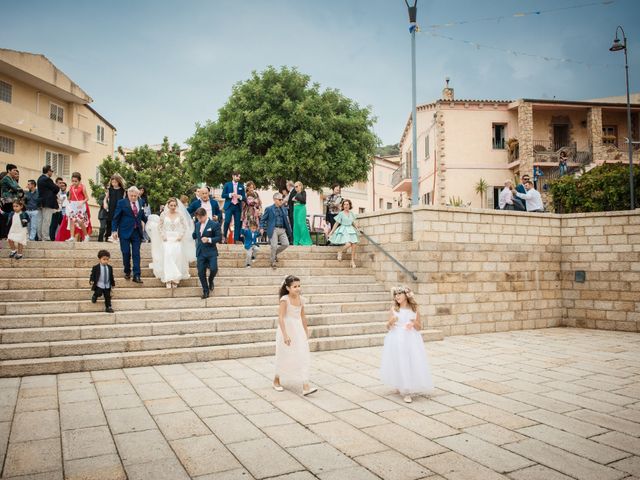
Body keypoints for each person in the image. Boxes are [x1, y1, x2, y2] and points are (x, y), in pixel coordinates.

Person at [380, 286, 433, 403]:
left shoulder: (414, 309)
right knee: (399, 361)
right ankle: (401, 385)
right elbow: (388, 326)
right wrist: (391, 321)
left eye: (399, 294)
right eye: (395, 295)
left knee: (410, 361)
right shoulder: (394, 309)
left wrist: (413, 323)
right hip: (396, 338)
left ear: (406, 295)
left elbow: (419, 328)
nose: (397, 296)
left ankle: (407, 390)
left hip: (411, 339)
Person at [272, 275, 317, 396]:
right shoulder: (284, 300)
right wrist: (285, 335)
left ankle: (305, 386)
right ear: (288, 288)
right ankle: (276, 380)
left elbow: (303, 316)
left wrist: (306, 331)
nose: (297, 289)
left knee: (302, 354)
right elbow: (281, 317)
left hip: (298, 330)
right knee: (283, 354)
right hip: (286, 329)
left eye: (299, 286)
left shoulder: (301, 299)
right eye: (294, 286)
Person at [146, 197, 195, 288]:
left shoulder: (180, 215)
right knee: (168, 256)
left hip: (177, 238)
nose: (173, 207)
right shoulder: (163, 215)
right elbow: (160, 226)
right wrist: (163, 236)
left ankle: (175, 279)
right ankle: (168, 278)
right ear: (168, 206)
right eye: (171, 205)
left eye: (174, 205)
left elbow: (184, 227)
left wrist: (181, 236)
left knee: (177, 256)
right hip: (167, 238)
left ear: (176, 206)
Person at [112, 186, 147, 283]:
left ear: (138, 195)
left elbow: (143, 216)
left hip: (137, 232)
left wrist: (152, 222)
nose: (133, 198)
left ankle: (137, 275)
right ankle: (127, 271)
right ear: (128, 195)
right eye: (131, 196)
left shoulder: (141, 202)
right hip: (124, 232)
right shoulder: (121, 203)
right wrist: (114, 230)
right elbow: (116, 218)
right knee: (126, 252)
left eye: (135, 196)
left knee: (136, 254)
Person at [192, 207, 221, 299]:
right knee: (201, 272)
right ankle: (205, 290)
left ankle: (211, 280)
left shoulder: (214, 224)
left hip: (211, 252)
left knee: (214, 269)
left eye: (200, 218)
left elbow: (219, 238)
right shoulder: (197, 224)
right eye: (197, 218)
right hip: (200, 252)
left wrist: (209, 239)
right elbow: (194, 235)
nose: (199, 220)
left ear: (205, 215)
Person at [260, 193, 292, 269]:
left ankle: (274, 254)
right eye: (280, 199)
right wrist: (261, 227)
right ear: (274, 200)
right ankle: (272, 262)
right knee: (274, 246)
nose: (281, 201)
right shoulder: (269, 209)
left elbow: (286, 219)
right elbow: (263, 219)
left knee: (286, 244)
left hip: (282, 229)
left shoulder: (283, 208)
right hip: (273, 229)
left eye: (282, 199)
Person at [58, 172, 92, 242]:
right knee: (72, 221)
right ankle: (72, 237)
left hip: (80, 205)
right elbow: (70, 197)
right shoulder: (71, 187)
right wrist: (68, 199)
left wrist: (82, 202)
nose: (74, 182)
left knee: (80, 221)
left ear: (79, 181)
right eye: (73, 181)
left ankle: (86, 235)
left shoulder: (82, 187)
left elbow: (87, 198)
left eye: (76, 181)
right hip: (73, 205)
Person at [328, 199, 359, 269]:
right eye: (344, 204)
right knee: (348, 244)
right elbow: (336, 223)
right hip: (344, 229)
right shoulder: (341, 213)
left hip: (351, 229)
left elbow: (353, 222)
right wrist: (332, 231)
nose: (346, 206)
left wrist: (357, 228)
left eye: (347, 204)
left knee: (354, 244)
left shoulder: (351, 213)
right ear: (342, 206)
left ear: (350, 205)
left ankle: (352, 261)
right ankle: (340, 251)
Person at [221, 171, 246, 243]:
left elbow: (244, 197)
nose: (238, 178)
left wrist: (240, 196)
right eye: (237, 176)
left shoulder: (241, 186)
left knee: (238, 223)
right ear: (233, 176)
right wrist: (230, 195)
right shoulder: (227, 184)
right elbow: (223, 195)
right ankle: (224, 237)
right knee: (227, 221)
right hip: (229, 205)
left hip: (237, 206)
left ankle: (236, 239)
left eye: (239, 177)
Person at [1, 164, 23, 241]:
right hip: (7, 201)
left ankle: (8, 235)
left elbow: (19, 189)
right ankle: (4, 235)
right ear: (9, 171)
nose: (15, 172)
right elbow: (16, 188)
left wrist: (16, 189)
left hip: (12, 201)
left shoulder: (13, 179)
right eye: (14, 170)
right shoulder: (6, 178)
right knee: (7, 218)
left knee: (11, 218)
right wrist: (15, 189)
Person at [104, 174, 126, 241]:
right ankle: (111, 235)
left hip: (119, 208)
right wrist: (105, 203)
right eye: (112, 182)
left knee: (119, 221)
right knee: (111, 221)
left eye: (115, 182)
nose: (114, 184)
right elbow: (105, 198)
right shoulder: (109, 189)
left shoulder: (123, 190)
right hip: (111, 207)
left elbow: (124, 199)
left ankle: (118, 236)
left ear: (119, 182)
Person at [291, 181, 313, 246]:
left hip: (301, 208)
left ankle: (305, 240)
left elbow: (303, 201)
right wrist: (294, 198)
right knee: (296, 225)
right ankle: (296, 241)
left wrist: (296, 197)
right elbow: (290, 200)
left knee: (301, 223)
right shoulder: (294, 193)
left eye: (297, 186)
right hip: (295, 209)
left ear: (301, 186)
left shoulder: (303, 192)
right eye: (295, 187)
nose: (296, 188)